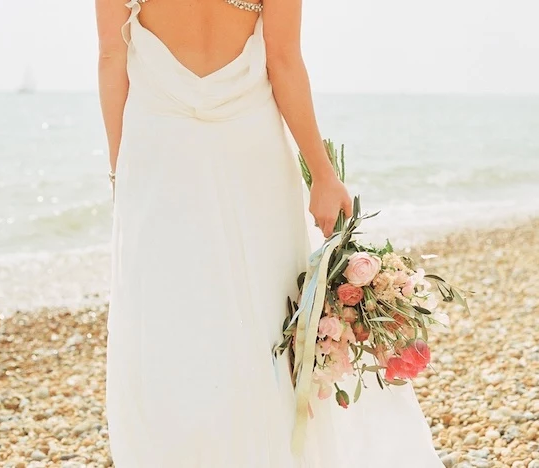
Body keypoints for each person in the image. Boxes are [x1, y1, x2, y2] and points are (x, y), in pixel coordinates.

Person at [96, 0, 445, 466]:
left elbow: (110, 58)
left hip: (159, 152)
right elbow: (283, 59)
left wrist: (123, 172)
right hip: (250, 148)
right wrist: (321, 173)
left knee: (169, 318)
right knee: (267, 314)